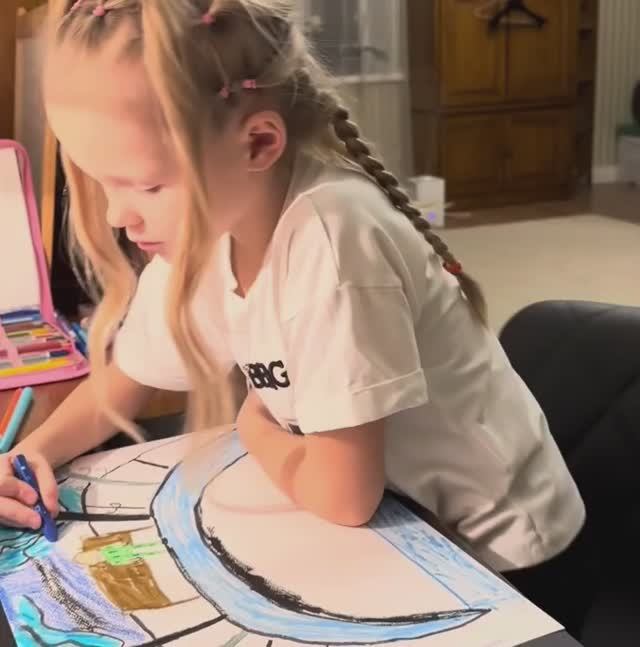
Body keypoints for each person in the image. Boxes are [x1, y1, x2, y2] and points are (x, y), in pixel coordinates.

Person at [0, 0, 591, 637]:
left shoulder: (332, 239)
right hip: (396, 518)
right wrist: (30, 457)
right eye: (101, 183)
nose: (119, 216)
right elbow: (128, 378)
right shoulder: (209, 223)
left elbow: (344, 496)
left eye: (146, 186)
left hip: (500, 556)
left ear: (258, 142)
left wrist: (253, 426)